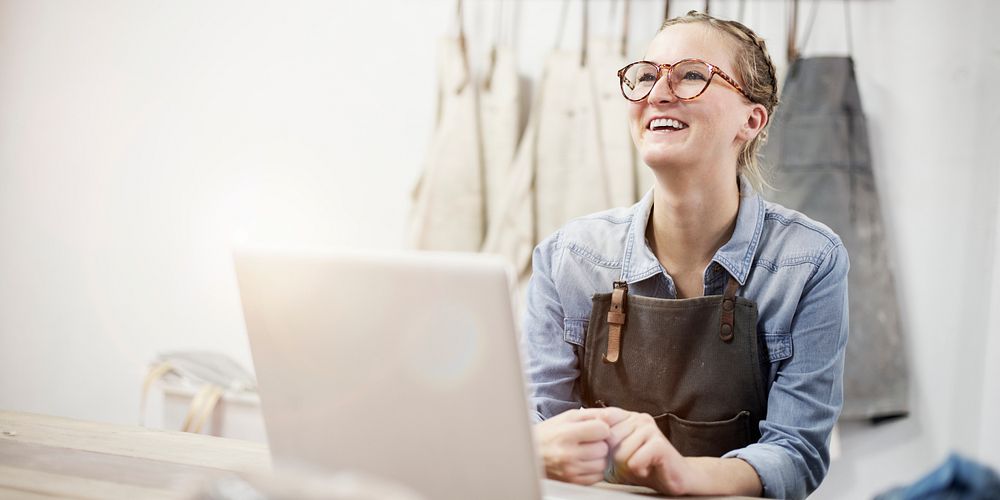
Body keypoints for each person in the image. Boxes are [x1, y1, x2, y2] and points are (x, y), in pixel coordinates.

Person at [521, 11, 849, 500]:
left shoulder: (809, 261)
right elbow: (533, 420)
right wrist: (533, 445)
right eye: (647, 75)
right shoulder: (567, 257)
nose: (657, 93)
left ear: (752, 119)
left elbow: (796, 452)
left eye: (692, 74)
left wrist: (679, 475)